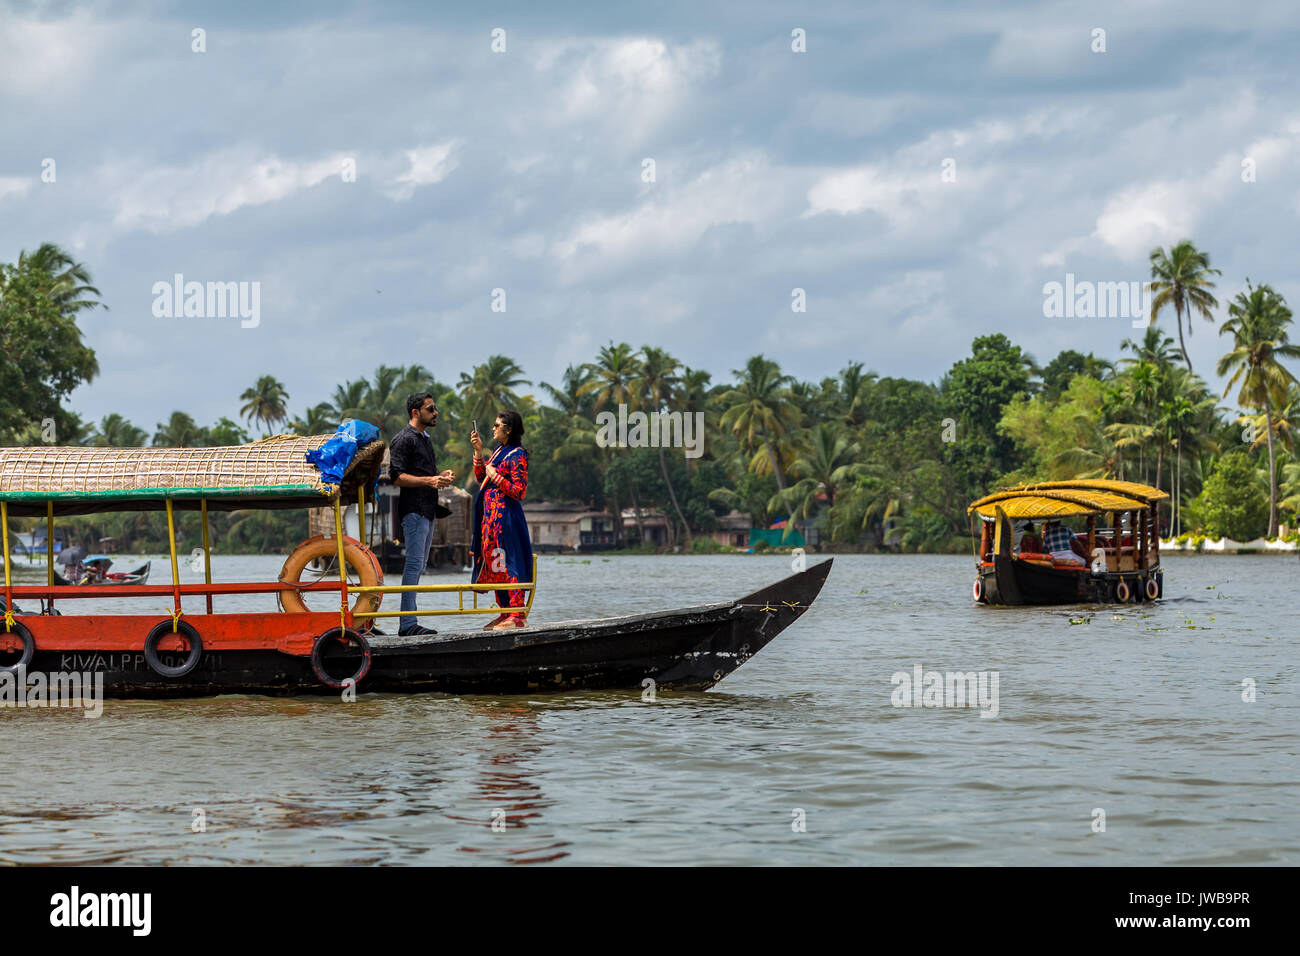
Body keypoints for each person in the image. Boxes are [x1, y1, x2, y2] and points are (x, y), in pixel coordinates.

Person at [389, 392, 455, 636]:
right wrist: (430, 480)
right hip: (414, 511)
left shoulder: (424, 439)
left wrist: (440, 476)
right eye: (431, 408)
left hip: (427, 510)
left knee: (419, 565)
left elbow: (426, 474)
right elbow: (396, 477)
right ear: (415, 412)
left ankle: (409, 620)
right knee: (414, 564)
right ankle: (407, 623)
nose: (435, 412)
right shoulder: (403, 439)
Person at [470, 410, 533, 630]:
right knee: (497, 565)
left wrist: (495, 475)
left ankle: (517, 614)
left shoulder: (517, 454)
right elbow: (481, 477)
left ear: (509, 429)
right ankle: (505, 612)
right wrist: (478, 452)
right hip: (491, 522)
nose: (493, 428)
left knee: (510, 564)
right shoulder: (499, 451)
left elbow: (519, 491)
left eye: (497, 425)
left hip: (506, 519)